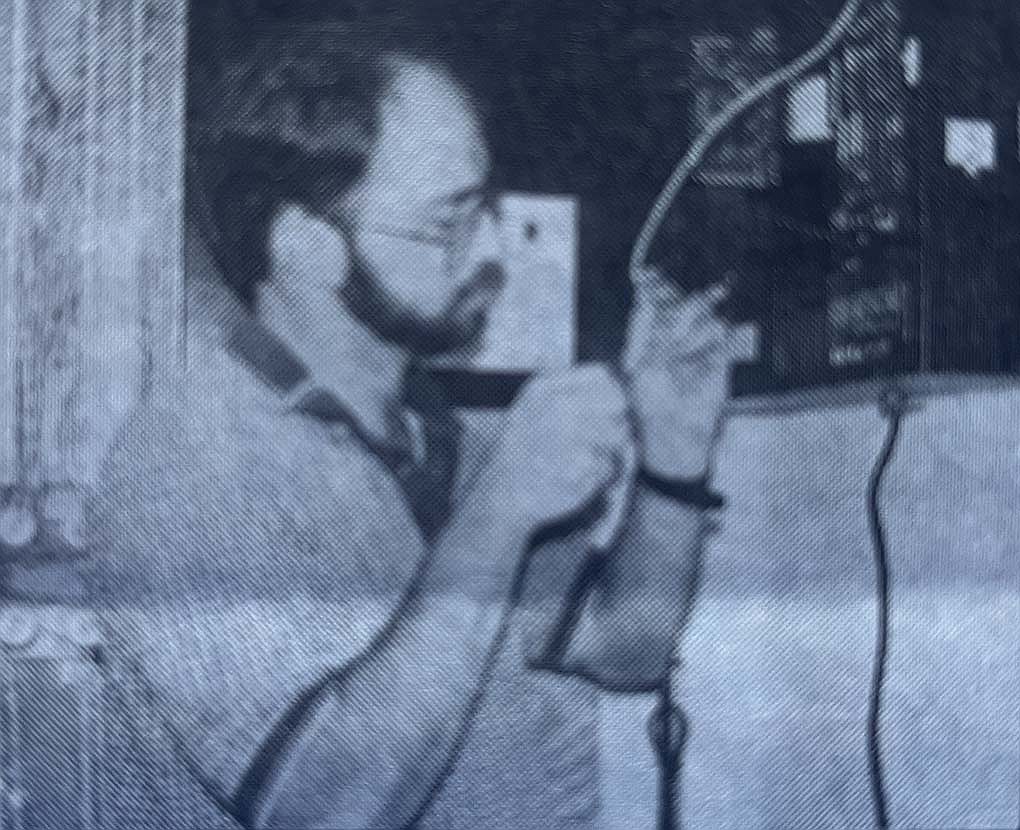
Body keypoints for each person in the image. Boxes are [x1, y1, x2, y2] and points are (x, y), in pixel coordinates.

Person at [84, 25, 737, 830]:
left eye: (485, 209)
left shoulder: (442, 438)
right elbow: (322, 811)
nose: (493, 250)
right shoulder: (187, 468)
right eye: (446, 225)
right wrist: (498, 516)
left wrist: (675, 456)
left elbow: (624, 646)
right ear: (307, 248)